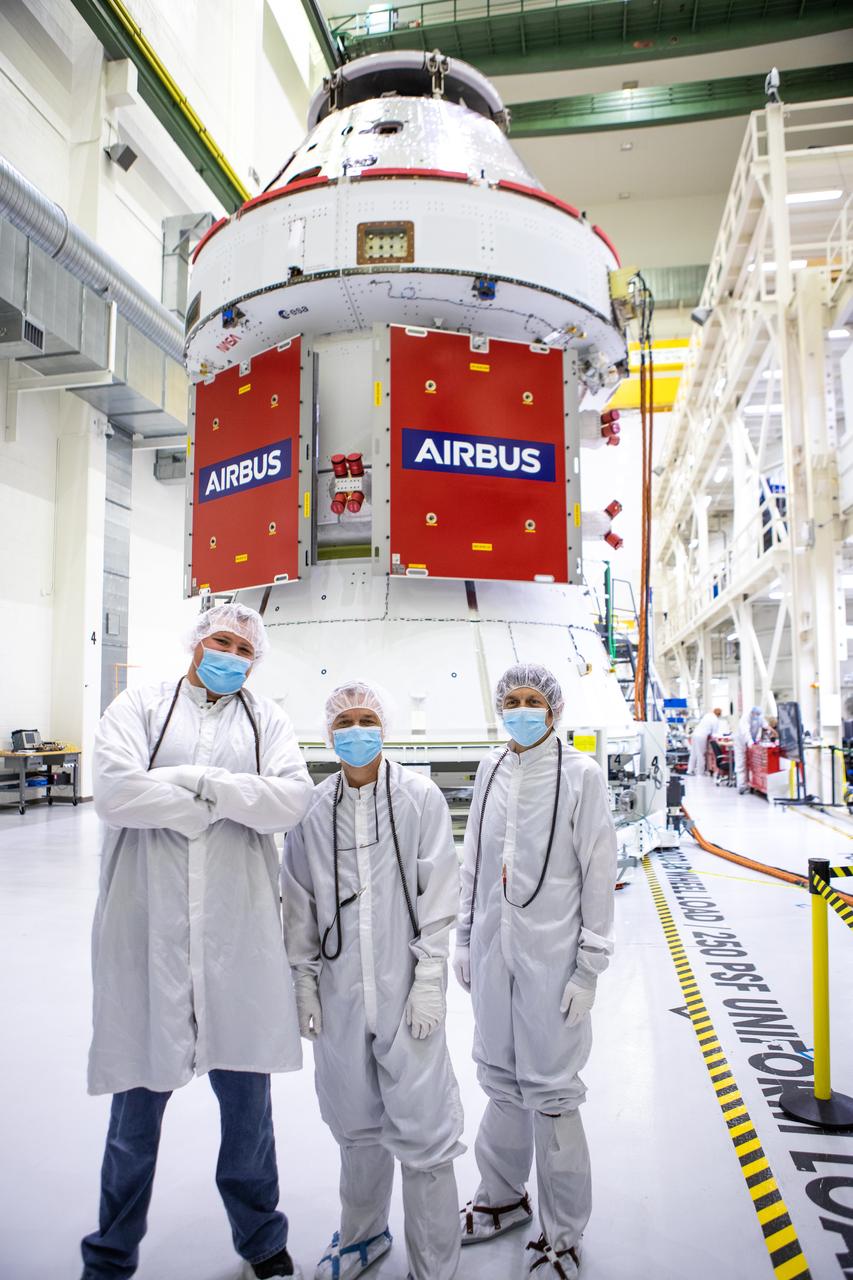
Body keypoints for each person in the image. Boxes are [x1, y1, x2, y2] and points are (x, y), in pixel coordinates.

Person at [81, 603, 313, 1280]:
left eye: (244, 646)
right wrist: (221, 804)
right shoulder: (142, 706)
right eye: (221, 639)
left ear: (255, 658)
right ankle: (111, 1254)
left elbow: (290, 801)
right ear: (196, 641)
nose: (230, 652)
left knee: (248, 1120)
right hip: (149, 936)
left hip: (235, 944)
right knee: (133, 1124)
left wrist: (196, 783)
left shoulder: (264, 720)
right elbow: (115, 794)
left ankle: (262, 1242)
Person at [282, 681, 464, 1280]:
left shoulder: (418, 798)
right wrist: (305, 982)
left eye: (367, 719)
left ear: (383, 726)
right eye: (345, 722)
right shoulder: (311, 809)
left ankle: (435, 1261)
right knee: (355, 1125)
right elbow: (299, 903)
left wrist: (430, 979)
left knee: (424, 1129)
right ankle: (363, 1236)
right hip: (340, 996)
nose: (356, 731)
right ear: (329, 733)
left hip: (406, 991)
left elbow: (438, 897)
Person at [454, 663, 616, 1280]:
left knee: (550, 1093)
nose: (523, 709)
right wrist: (466, 939)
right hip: (495, 956)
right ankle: (501, 1198)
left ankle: (565, 1235)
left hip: (553, 963)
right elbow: (473, 860)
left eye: (533, 701)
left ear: (553, 710)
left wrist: (588, 968)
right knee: (499, 1080)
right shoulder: (493, 768)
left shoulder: (581, 776)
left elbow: (599, 872)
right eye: (513, 700)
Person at [734, 704, 770, 794]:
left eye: (758, 714)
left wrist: (772, 731)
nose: (756, 716)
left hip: (752, 742)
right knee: (741, 762)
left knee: (750, 764)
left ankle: (750, 783)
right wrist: (751, 743)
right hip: (740, 742)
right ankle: (741, 786)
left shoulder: (759, 717)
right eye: (755, 714)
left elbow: (766, 725)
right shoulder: (745, 718)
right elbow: (745, 732)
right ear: (752, 712)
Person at [686, 707, 723, 776]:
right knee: (701, 754)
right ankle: (700, 772)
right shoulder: (715, 720)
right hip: (701, 736)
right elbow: (714, 733)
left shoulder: (708, 715)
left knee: (693, 753)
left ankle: (690, 770)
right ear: (719, 714)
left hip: (695, 734)